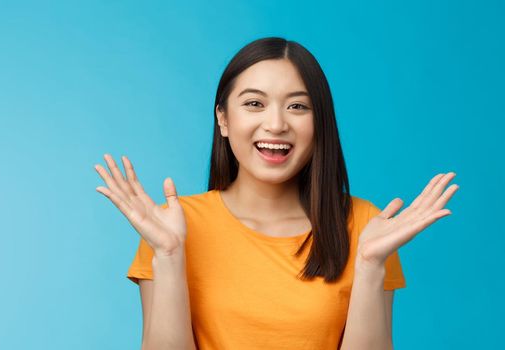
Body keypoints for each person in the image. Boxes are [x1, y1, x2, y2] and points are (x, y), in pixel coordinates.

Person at [93, 37, 459, 350]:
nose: (276, 124)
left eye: (298, 106)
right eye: (254, 103)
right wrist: (170, 256)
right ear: (223, 118)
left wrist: (369, 265)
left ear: (320, 123)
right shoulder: (172, 227)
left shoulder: (366, 226)